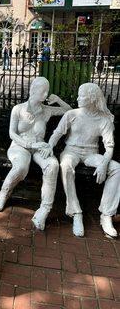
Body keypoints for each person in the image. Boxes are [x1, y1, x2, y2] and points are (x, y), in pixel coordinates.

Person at [0, 77, 71, 230]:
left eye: (47, 91)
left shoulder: (47, 110)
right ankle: (4, 192)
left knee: (53, 165)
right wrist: (29, 144)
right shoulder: (18, 109)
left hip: (39, 147)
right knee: (21, 167)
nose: (46, 94)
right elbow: (12, 134)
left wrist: (58, 100)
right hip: (19, 146)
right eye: (43, 91)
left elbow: (68, 111)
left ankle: (44, 209)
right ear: (33, 90)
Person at [48, 83, 120, 238]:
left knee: (116, 168)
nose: (77, 98)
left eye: (82, 96)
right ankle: (75, 212)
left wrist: (103, 164)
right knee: (66, 164)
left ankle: (106, 215)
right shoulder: (72, 114)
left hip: (90, 154)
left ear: (92, 98)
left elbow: (109, 147)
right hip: (71, 151)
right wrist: (49, 147)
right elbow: (57, 133)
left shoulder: (104, 120)